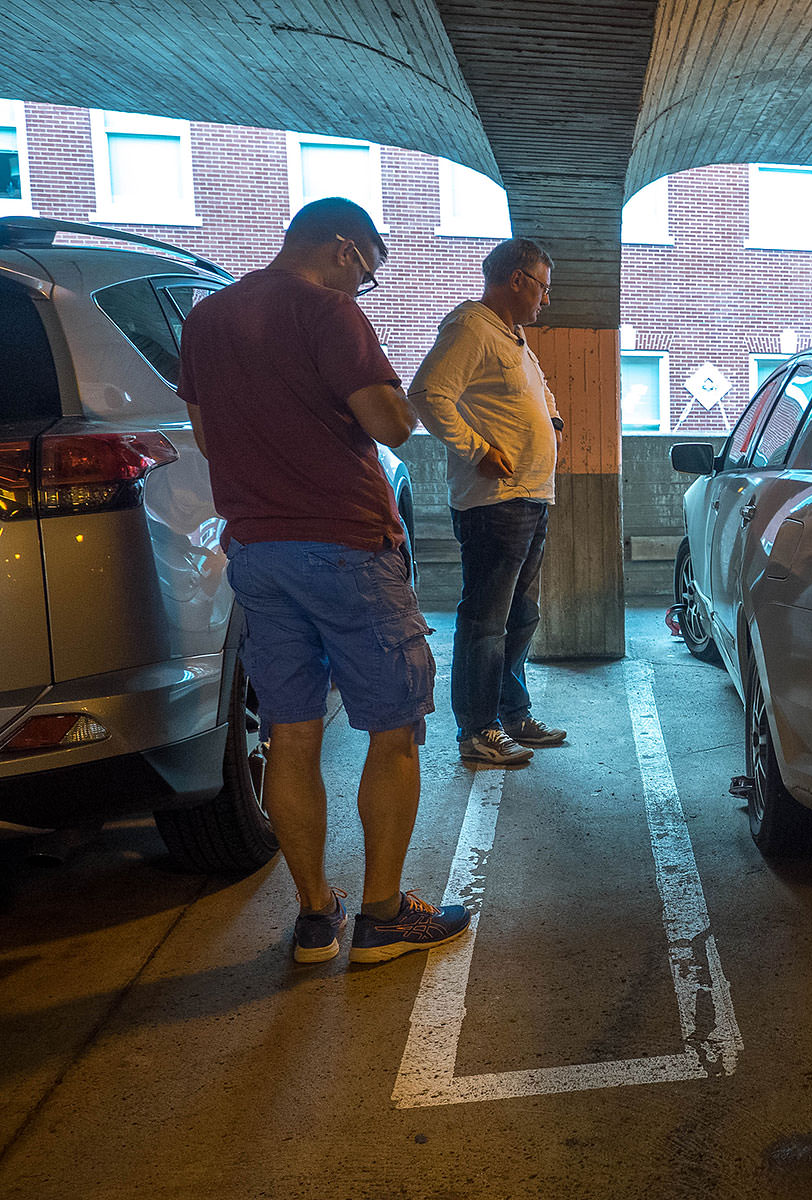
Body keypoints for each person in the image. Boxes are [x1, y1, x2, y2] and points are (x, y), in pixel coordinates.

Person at [177, 196, 470, 966]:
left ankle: (315, 919)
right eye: (367, 273)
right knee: (394, 727)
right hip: (345, 546)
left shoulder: (207, 318)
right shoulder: (328, 313)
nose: (362, 289)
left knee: (292, 736)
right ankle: (381, 917)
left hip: (258, 556)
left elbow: (207, 435)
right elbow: (391, 424)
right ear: (344, 248)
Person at [409, 238, 567, 767]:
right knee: (486, 620)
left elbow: (539, 393)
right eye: (543, 287)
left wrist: (555, 424)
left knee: (521, 615)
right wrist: (477, 449)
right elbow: (429, 393)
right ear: (517, 279)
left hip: (529, 495)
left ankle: (512, 713)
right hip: (495, 502)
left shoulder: (512, 335)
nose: (546, 300)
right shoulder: (472, 326)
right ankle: (477, 730)